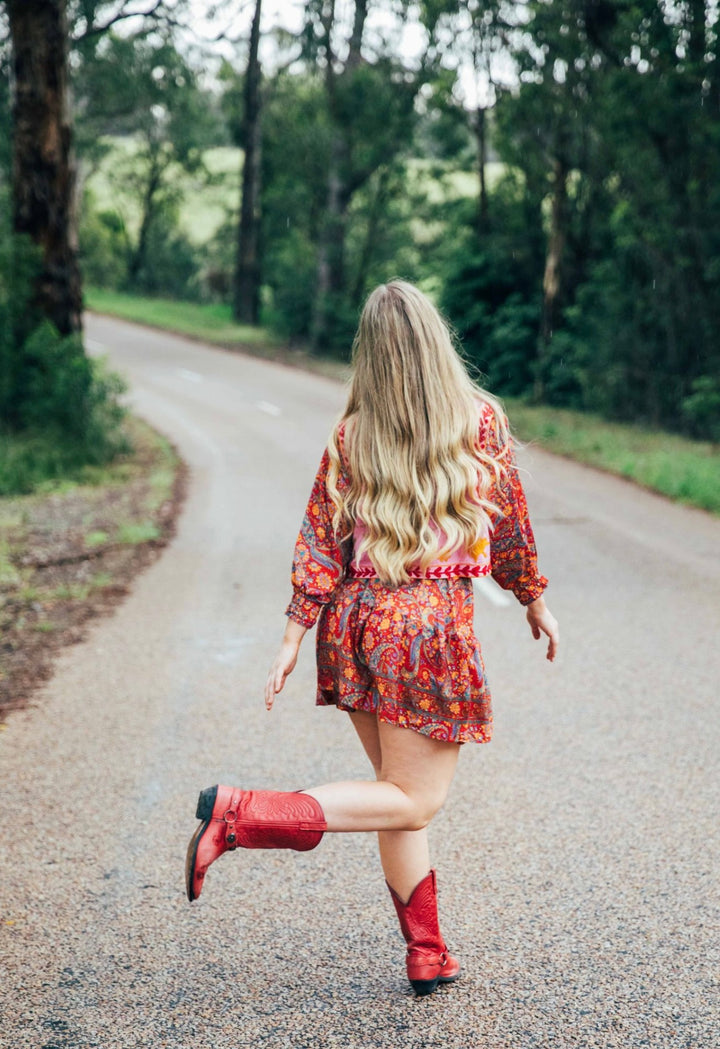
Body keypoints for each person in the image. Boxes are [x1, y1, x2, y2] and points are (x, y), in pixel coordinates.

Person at [185, 280, 559, 997]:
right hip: (426, 630)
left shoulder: (351, 433)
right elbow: (509, 525)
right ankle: (243, 816)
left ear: (371, 355)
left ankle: (428, 951)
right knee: (416, 800)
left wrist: (295, 633)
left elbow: (320, 540)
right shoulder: (480, 420)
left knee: (394, 792)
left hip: (354, 625)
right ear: (436, 342)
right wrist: (533, 598)